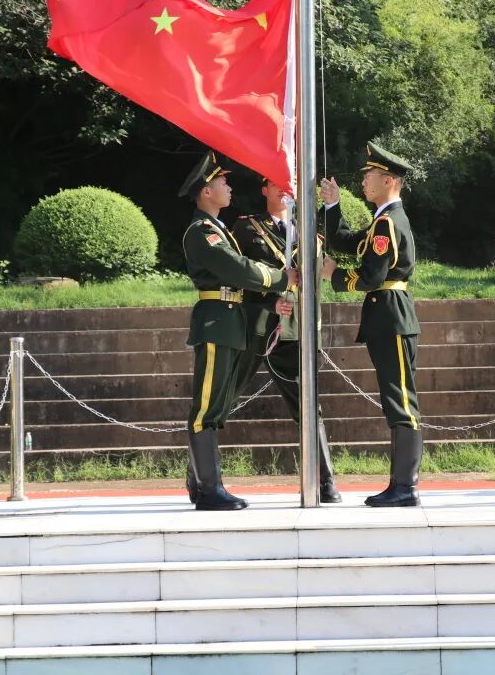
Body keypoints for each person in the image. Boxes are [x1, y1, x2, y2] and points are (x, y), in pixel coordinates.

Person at [179, 151, 296, 510]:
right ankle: (209, 491)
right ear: (206, 192)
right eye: (222, 183)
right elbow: (237, 268)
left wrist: (268, 302)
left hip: (229, 321)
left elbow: (239, 278)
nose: (228, 188)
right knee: (207, 408)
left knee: (216, 407)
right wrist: (280, 278)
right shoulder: (203, 232)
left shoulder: (218, 229)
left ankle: (203, 484)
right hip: (216, 322)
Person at [319, 141, 422, 507]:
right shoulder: (383, 220)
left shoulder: (387, 223)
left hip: (391, 316)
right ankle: (401, 485)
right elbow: (346, 241)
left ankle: (405, 487)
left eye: (370, 175)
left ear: (389, 180)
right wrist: (333, 205)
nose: (364, 181)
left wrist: (334, 275)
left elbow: (371, 276)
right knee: (395, 400)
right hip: (387, 316)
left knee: (400, 401)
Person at [230, 176, 341, 503]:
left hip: (294, 331)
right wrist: (267, 302)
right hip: (256, 327)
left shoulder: (307, 231)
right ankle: (200, 477)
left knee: (308, 405)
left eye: (286, 182)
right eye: (274, 182)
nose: (282, 188)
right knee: (223, 398)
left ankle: (325, 481)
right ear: (263, 189)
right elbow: (237, 275)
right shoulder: (246, 228)